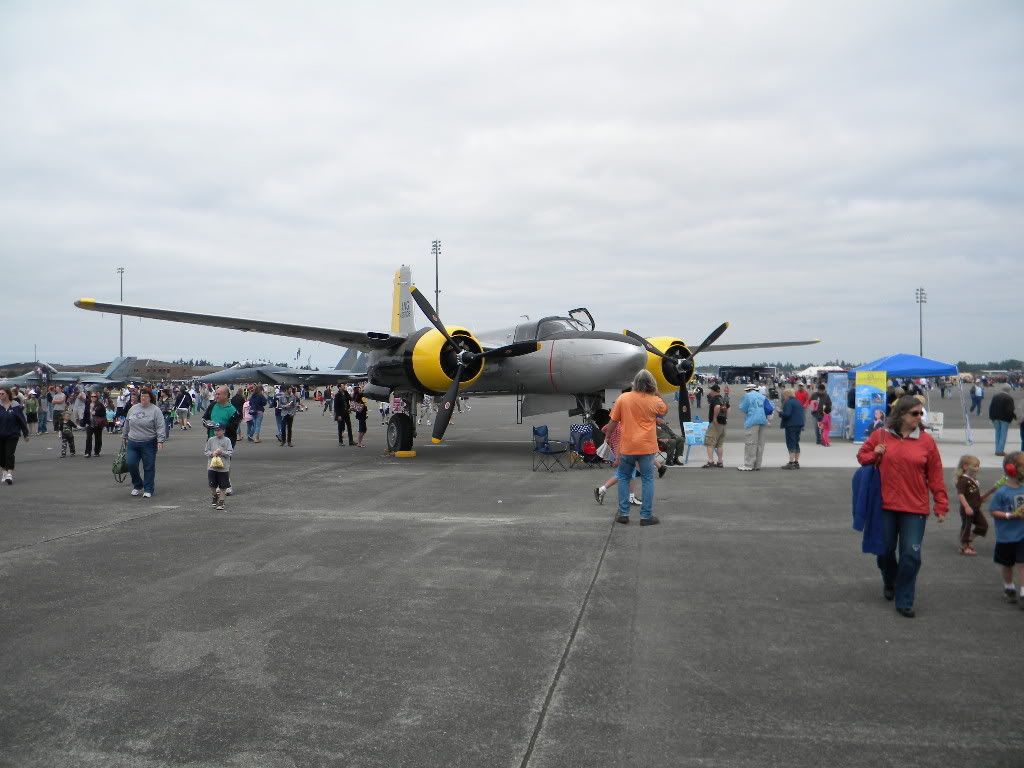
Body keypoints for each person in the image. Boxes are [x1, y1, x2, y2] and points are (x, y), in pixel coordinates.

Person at [857, 395, 948, 618]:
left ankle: (904, 598)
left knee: (911, 555)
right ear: (901, 415)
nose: (919, 417)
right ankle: (890, 580)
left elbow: (935, 475)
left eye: (921, 414)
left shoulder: (926, 441)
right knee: (885, 551)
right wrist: (874, 453)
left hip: (914, 507)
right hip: (885, 505)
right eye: (914, 413)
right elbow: (862, 456)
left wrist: (941, 502)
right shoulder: (881, 435)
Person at [605, 369, 668, 526]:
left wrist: (607, 436)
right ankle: (646, 516)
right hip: (647, 447)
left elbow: (613, 421)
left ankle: (623, 514)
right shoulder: (655, 400)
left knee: (624, 478)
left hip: (627, 446)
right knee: (647, 479)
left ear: (635, 383)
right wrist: (657, 392)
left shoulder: (623, 398)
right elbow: (664, 410)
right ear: (651, 384)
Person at [988, 451, 1024, 606]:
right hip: (1006, 536)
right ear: (1011, 469)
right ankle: (1009, 587)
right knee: (1007, 564)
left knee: (1023, 564)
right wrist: (1010, 515)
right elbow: (993, 511)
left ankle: (1023, 593)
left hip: (1022, 535)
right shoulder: (1002, 492)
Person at [123, 387, 165, 498]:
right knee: (131, 464)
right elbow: (127, 423)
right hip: (133, 442)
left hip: (148, 442)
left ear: (150, 398)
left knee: (148, 466)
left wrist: (160, 440)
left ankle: (148, 488)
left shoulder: (155, 410)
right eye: (141, 396)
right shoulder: (133, 408)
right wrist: (124, 436)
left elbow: (160, 426)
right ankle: (137, 485)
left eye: (146, 396)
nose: (143, 398)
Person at [955, 454, 994, 557]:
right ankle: (965, 546)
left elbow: (974, 495)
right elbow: (961, 495)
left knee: (983, 525)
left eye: (978, 466)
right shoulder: (963, 480)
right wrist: (966, 507)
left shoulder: (974, 480)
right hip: (967, 509)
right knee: (966, 527)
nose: (977, 468)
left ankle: (968, 540)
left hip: (976, 508)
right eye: (975, 466)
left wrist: (984, 496)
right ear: (965, 466)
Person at [0, 387, 30, 485]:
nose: (0, 395)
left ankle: (9, 473)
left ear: (8, 394)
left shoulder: (16, 406)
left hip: (12, 434)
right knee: (2, 455)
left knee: (9, 453)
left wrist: (25, 434)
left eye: (2, 394)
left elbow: (22, 420)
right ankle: (4, 472)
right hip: (1, 434)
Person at [737, 383, 768, 471]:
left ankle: (748, 464)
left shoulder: (747, 396)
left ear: (748, 390)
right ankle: (757, 465)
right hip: (763, 419)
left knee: (750, 443)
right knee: (760, 444)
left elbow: (743, 408)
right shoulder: (762, 396)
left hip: (752, 420)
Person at [204, 422, 234, 511]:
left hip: (223, 467)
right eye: (215, 430)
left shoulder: (227, 440)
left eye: (219, 430)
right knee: (212, 485)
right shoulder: (211, 440)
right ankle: (214, 496)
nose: (217, 432)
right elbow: (206, 451)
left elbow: (230, 452)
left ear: (223, 431)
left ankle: (221, 501)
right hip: (212, 466)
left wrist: (222, 452)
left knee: (223, 485)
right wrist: (212, 453)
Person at [702, 383, 727, 468]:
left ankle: (710, 461)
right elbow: (728, 407)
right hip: (723, 423)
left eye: (711, 390)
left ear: (714, 391)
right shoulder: (722, 398)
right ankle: (720, 461)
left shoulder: (715, 399)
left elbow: (717, 407)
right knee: (719, 445)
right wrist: (725, 416)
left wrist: (715, 418)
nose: (710, 392)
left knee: (710, 443)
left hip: (715, 424)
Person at [779, 388, 805, 469]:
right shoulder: (798, 401)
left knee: (791, 443)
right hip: (799, 424)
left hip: (791, 425)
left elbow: (787, 414)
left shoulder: (788, 402)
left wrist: (780, 412)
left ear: (787, 395)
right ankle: (796, 462)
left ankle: (791, 462)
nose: (783, 397)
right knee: (796, 442)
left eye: (784, 395)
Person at [988, 388, 1016, 457]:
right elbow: (1010, 410)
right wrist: (1013, 417)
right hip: (1004, 418)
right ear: (1008, 391)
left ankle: (997, 449)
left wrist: (991, 417)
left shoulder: (995, 396)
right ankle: (1000, 451)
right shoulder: (1009, 398)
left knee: (997, 433)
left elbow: (990, 407)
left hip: (995, 418)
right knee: (1003, 434)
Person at [83, 391, 107, 457]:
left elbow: (103, 414)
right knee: (88, 438)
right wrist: (84, 422)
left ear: (97, 397)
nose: (93, 398)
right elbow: (85, 413)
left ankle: (97, 452)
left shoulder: (100, 405)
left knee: (98, 438)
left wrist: (95, 413)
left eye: (95, 396)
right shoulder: (88, 404)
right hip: (89, 423)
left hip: (98, 424)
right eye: (92, 396)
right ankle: (87, 452)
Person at [334, 382, 354, 446]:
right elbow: (336, 406)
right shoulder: (337, 395)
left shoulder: (345, 392)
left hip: (346, 412)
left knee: (349, 427)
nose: (344, 386)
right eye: (343, 386)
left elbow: (350, 399)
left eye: (344, 385)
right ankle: (340, 441)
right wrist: (338, 415)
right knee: (340, 428)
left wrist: (352, 403)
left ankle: (351, 441)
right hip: (340, 414)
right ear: (339, 387)